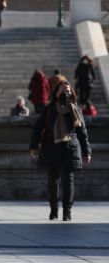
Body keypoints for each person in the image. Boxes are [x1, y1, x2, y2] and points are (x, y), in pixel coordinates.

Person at [30, 78, 91, 222]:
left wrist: (86, 151)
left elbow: (82, 132)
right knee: (52, 180)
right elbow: (38, 128)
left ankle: (67, 211)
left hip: (70, 148)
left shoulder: (75, 109)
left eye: (68, 90)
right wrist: (33, 147)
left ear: (72, 93)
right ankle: (53, 209)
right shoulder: (49, 108)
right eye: (63, 90)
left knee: (68, 180)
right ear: (56, 93)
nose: (66, 93)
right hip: (52, 147)